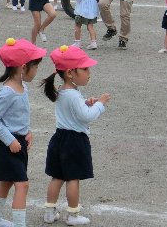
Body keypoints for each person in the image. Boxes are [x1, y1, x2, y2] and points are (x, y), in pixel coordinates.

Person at [41, 45, 110, 226]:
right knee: (73, 178)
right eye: (85, 69)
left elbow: (74, 110)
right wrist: (100, 104)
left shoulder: (64, 91)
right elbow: (86, 117)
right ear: (70, 73)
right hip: (74, 141)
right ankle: (73, 214)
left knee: (57, 176)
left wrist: (86, 102)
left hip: (59, 138)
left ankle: (49, 212)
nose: (89, 72)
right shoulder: (72, 94)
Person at [0, 37, 46, 227]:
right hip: (6, 146)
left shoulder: (22, 87)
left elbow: (19, 115)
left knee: (6, 183)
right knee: (22, 184)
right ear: (23, 67)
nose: (36, 71)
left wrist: (27, 131)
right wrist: (10, 140)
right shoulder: (7, 92)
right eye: (35, 66)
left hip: (19, 143)